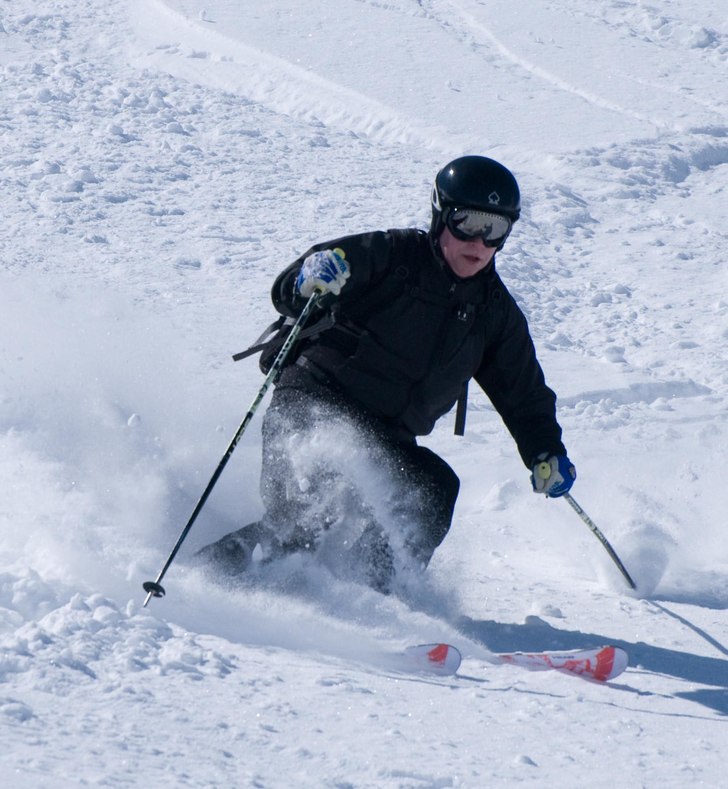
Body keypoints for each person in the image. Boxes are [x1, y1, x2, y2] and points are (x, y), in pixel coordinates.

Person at [196, 155, 576, 592]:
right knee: (303, 522)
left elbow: (523, 394)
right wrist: (309, 279)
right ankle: (201, 583)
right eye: (467, 222)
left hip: (386, 439)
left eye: (495, 228)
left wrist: (545, 450)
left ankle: (371, 595)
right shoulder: (390, 255)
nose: (479, 240)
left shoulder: (494, 314)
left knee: (433, 489)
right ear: (441, 215)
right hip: (310, 405)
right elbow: (293, 285)